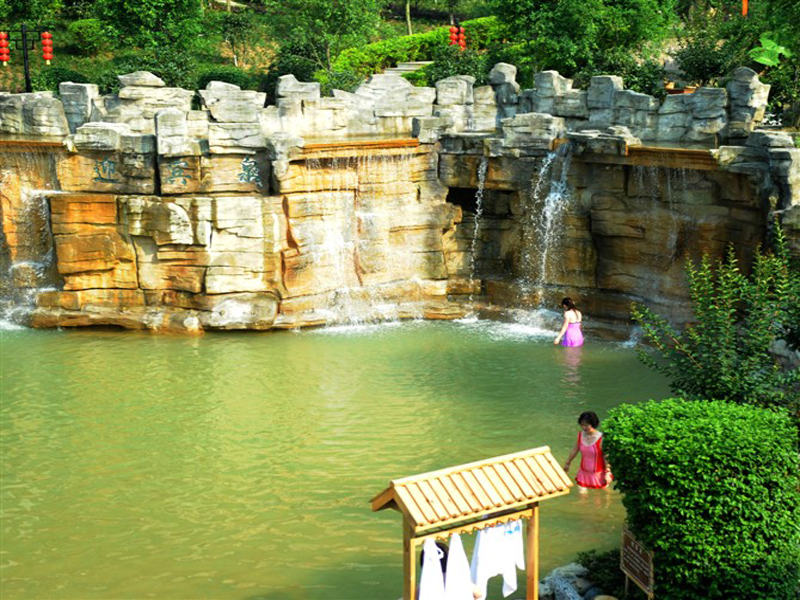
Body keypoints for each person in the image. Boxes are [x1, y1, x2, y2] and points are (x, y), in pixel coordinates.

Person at [563, 411, 612, 489]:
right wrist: (567, 463)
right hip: (583, 473)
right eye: (582, 425)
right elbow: (574, 450)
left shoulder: (601, 438)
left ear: (593, 424)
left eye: (586, 425)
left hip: (599, 475)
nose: (583, 427)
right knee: (582, 496)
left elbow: (606, 456)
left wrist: (608, 472)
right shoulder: (580, 435)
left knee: (601, 498)